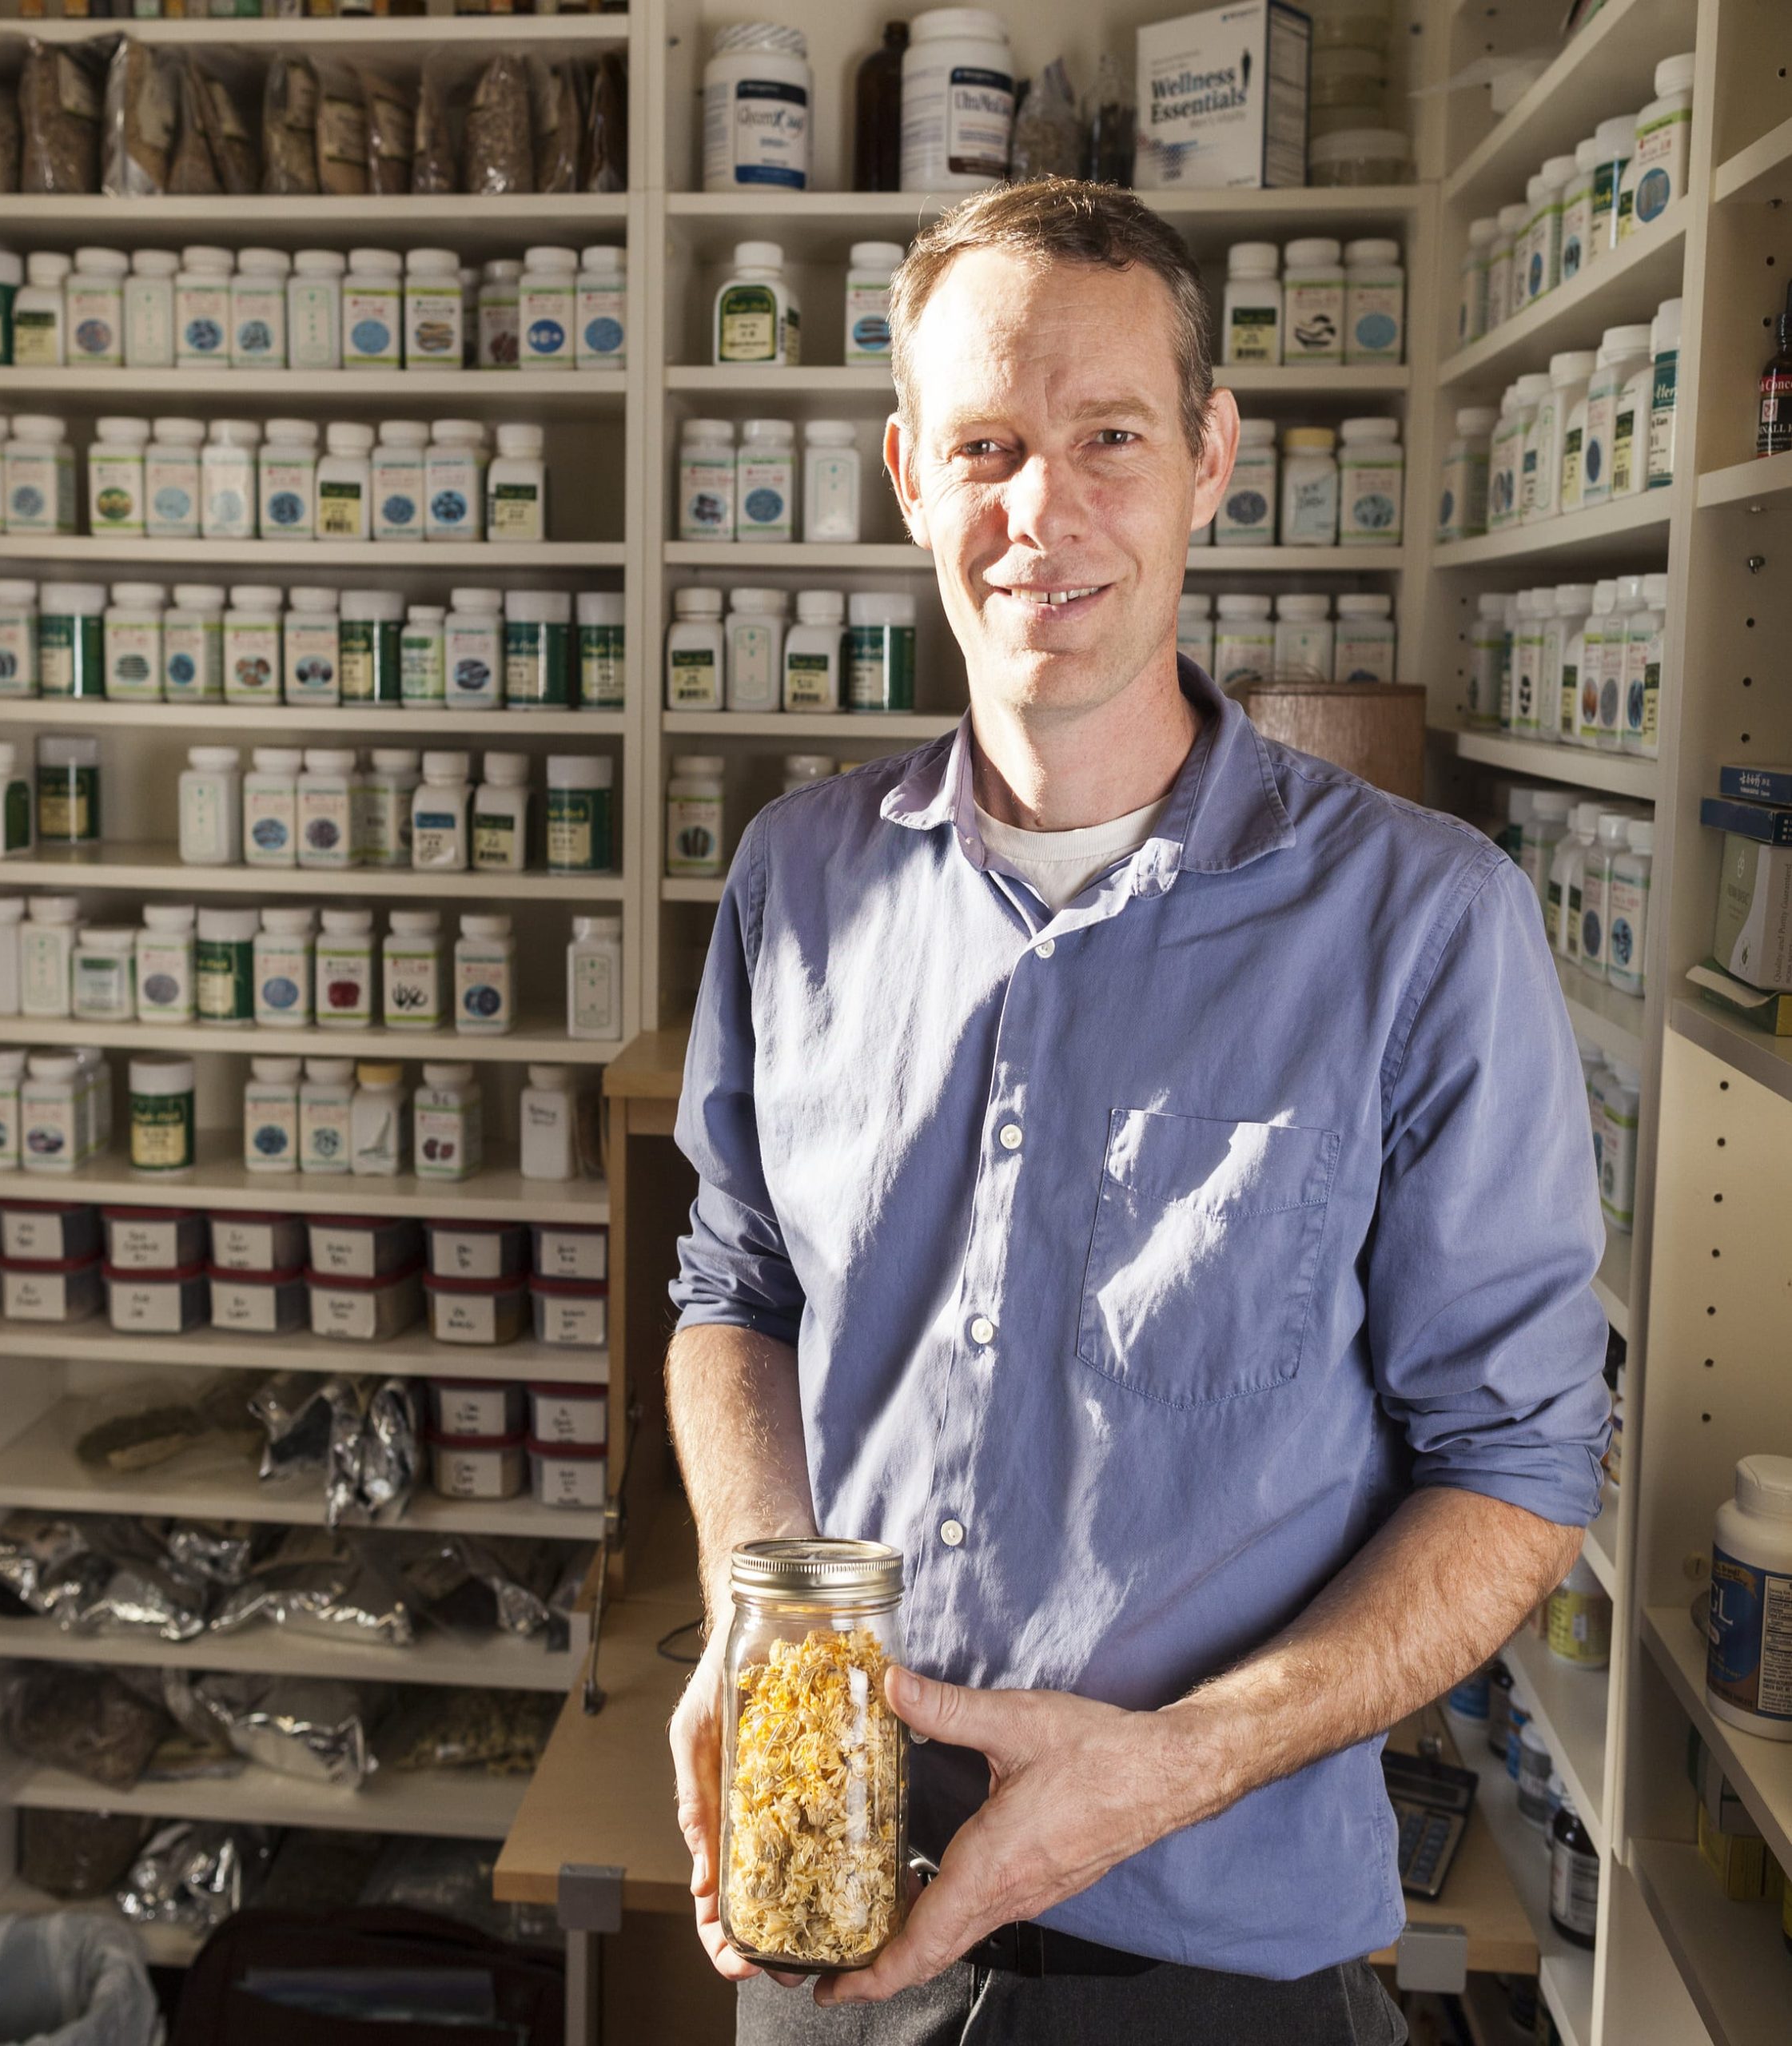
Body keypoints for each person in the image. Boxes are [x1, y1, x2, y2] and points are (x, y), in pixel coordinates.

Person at [666, 178, 1609, 2045]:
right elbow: (737, 1289)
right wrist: (758, 1611)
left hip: (1215, 1958)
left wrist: (1164, 1764)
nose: (1043, 513)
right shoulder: (798, 879)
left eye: (1107, 436)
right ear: (908, 473)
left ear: (1209, 456)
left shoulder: (1421, 921)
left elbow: (1515, 1466)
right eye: (987, 446)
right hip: (825, 1916)